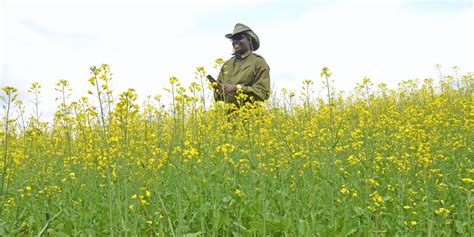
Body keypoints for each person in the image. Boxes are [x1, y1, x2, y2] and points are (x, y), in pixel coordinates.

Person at [213, 23, 271, 107]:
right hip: (228, 117)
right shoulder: (227, 64)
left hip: (252, 117)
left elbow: (263, 93)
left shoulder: (258, 62)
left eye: (239, 38)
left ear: (249, 39)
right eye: (233, 39)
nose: (235, 41)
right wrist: (219, 91)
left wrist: (238, 88)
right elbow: (218, 97)